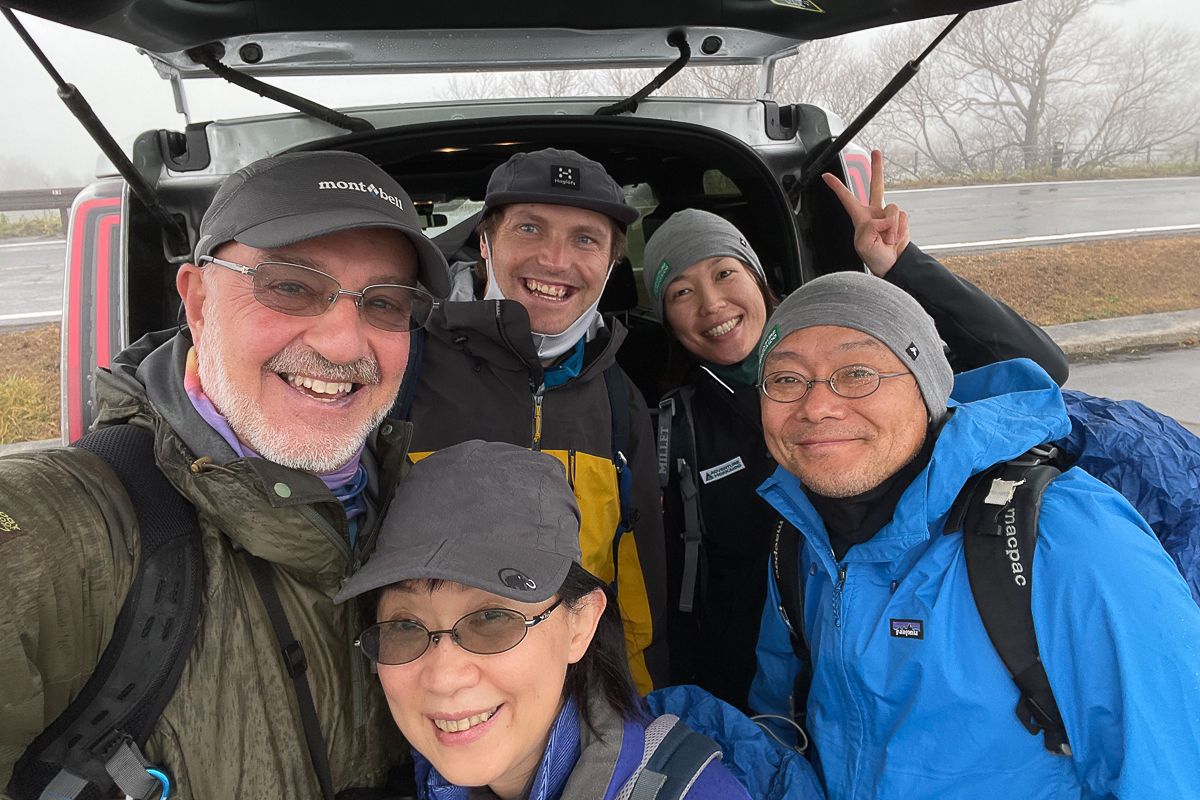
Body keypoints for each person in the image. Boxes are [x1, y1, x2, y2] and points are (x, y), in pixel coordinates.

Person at [0, 150, 451, 799]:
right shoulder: (61, 531)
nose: (344, 343)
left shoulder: (418, 505)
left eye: (384, 303)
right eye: (290, 287)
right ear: (198, 300)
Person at [640, 150, 1068, 710]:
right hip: (774, 683)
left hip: (910, 663)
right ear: (666, 318)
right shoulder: (674, 421)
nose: (712, 303)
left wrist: (902, 268)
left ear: (757, 276)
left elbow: (1038, 370)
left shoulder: (868, 350)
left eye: (724, 272)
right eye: (681, 291)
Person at [748, 271, 1200, 798]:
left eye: (857, 373)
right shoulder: (800, 537)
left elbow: (1172, 775)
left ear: (927, 388)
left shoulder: (1067, 541)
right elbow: (779, 716)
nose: (817, 406)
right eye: (786, 379)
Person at [334, 440, 753, 800]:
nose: (443, 678)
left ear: (580, 624)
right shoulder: (423, 777)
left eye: (492, 618)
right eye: (405, 627)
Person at [408, 148, 667, 694]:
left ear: (611, 264)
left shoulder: (618, 397)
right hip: (437, 695)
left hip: (577, 701)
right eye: (530, 228)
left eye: (585, 239)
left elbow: (634, 581)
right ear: (484, 242)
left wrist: (634, 704)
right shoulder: (404, 366)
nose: (555, 259)